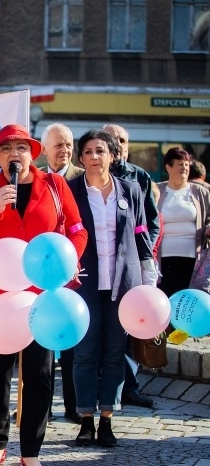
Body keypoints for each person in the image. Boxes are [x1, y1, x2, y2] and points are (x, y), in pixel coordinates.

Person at [0, 124, 87, 466]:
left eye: (21, 147)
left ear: (32, 153)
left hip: (42, 293)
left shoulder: (54, 186)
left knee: (40, 373)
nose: (15, 154)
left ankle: (31, 452)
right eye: (6, 149)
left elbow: (77, 230)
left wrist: (68, 260)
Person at [68, 130, 157, 447]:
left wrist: (149, 279)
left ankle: (107, 418)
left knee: (115, 353)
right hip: (85, 283)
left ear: (112, 155)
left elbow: (142, 234)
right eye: (88, 151)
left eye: (101, 151)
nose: (95, 157)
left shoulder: (131, 190)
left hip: (124, 284)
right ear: (81, 158)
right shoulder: (72, 191)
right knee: (85, 353)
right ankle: (85, 420)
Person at [102, 123, 159, 409]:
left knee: (127, 328)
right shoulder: (92, 174)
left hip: (130, 266)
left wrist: (143, 255)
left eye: (122, 140)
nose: (118, 145)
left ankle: (128, 388)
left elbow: (150, 223)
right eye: (112, 140)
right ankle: (101, 388)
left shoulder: (140, 177)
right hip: (100, 266)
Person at [40, 122, 83, 424]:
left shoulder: (82, 178)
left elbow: (83, 226)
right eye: (58, 145)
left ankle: (73, 405)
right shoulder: (35, 179)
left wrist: (73, 259)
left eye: (68, 144)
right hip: (40, 270)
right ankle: (39, 406)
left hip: (74, 272)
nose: (64, 150)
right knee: (40, 340)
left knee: (70, 342)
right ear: (44, 149)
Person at [155, 148, 210, 297]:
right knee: (166, 297)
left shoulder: (201, 192)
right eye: (180, 164)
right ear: (168, 167)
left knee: (188, 298)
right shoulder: (156, 190)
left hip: (192, 259)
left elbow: (208, 218)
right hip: (162, 260)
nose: (184, 168)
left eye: (186, 164)